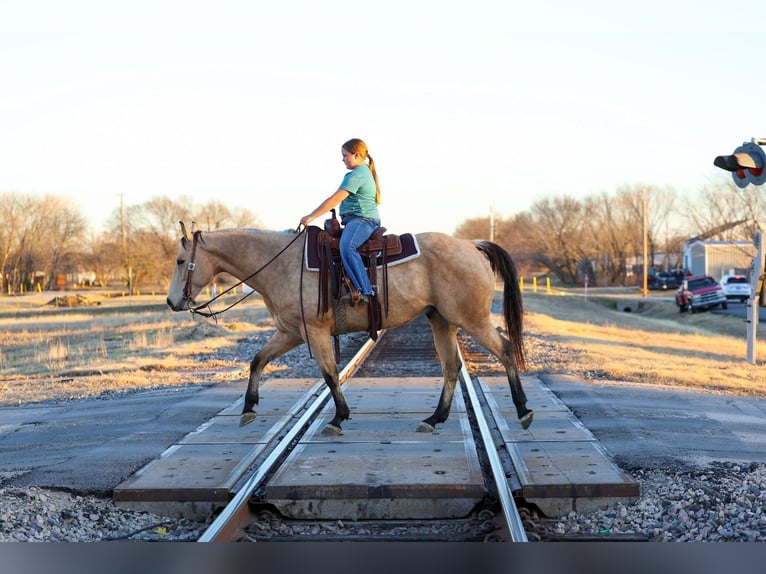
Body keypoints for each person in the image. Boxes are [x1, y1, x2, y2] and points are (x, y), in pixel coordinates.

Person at [299, 138, 381, 305]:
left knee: (347, 246)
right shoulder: (362, 172)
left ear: (356, 155)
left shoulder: (357, 175)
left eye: (345, 155)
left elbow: (335, 199)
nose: (342, 159)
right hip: (356, 220)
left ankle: (366, 291)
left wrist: (311, 216)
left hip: (364, 220)